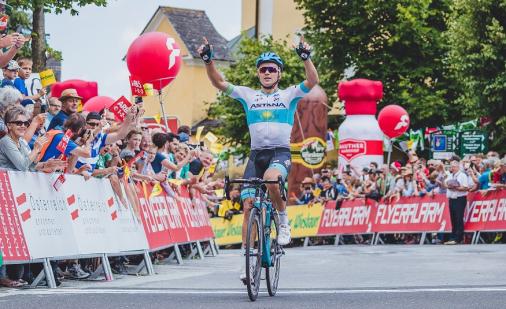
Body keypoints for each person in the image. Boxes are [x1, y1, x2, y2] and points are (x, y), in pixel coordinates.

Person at [198, 34, 319, 282]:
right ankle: (246, 259)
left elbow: (312, 80)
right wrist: (208, 60)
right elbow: (219, 82)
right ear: (258, 73)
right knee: (248, 206)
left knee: (272, 180)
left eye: (272, 69)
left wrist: (306, 58)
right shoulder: (247, 95)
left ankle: (283, 221)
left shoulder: (289, 95)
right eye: (263, 69)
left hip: (279, 153)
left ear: (279, 74)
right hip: (256, 155)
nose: (267, 73)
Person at [444, 160, 469, 245]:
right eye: (451, 167)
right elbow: (445, 185)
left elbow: (466, 187)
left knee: (459, 218)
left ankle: (458, 237)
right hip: (451, 198)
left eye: (454, 167)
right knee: (453, 218)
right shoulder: (450, 175)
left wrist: (456, 187)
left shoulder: (462, 176)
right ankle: (453, 236)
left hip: (460, 198)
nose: (452, 168)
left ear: (458, 167)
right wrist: (448, 185)